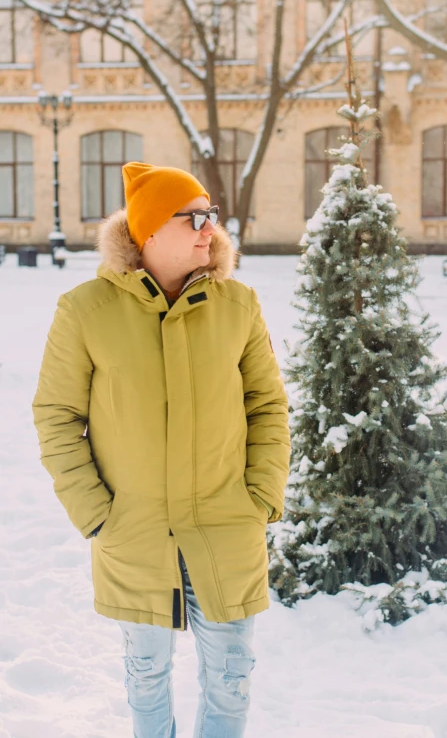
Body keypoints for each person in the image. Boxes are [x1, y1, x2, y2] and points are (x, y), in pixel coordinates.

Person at [32, 161, 291, 738]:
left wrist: (261, 495)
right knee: (146, 675)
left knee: (231, 675)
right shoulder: (85, 310)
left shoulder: (238, 305)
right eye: (194, 217)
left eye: (212, 215)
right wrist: (97, 513)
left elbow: (268, 407)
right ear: (148, 231)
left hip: (226, 523)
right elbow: (56, 416)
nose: (210, 228)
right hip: (135, 529)